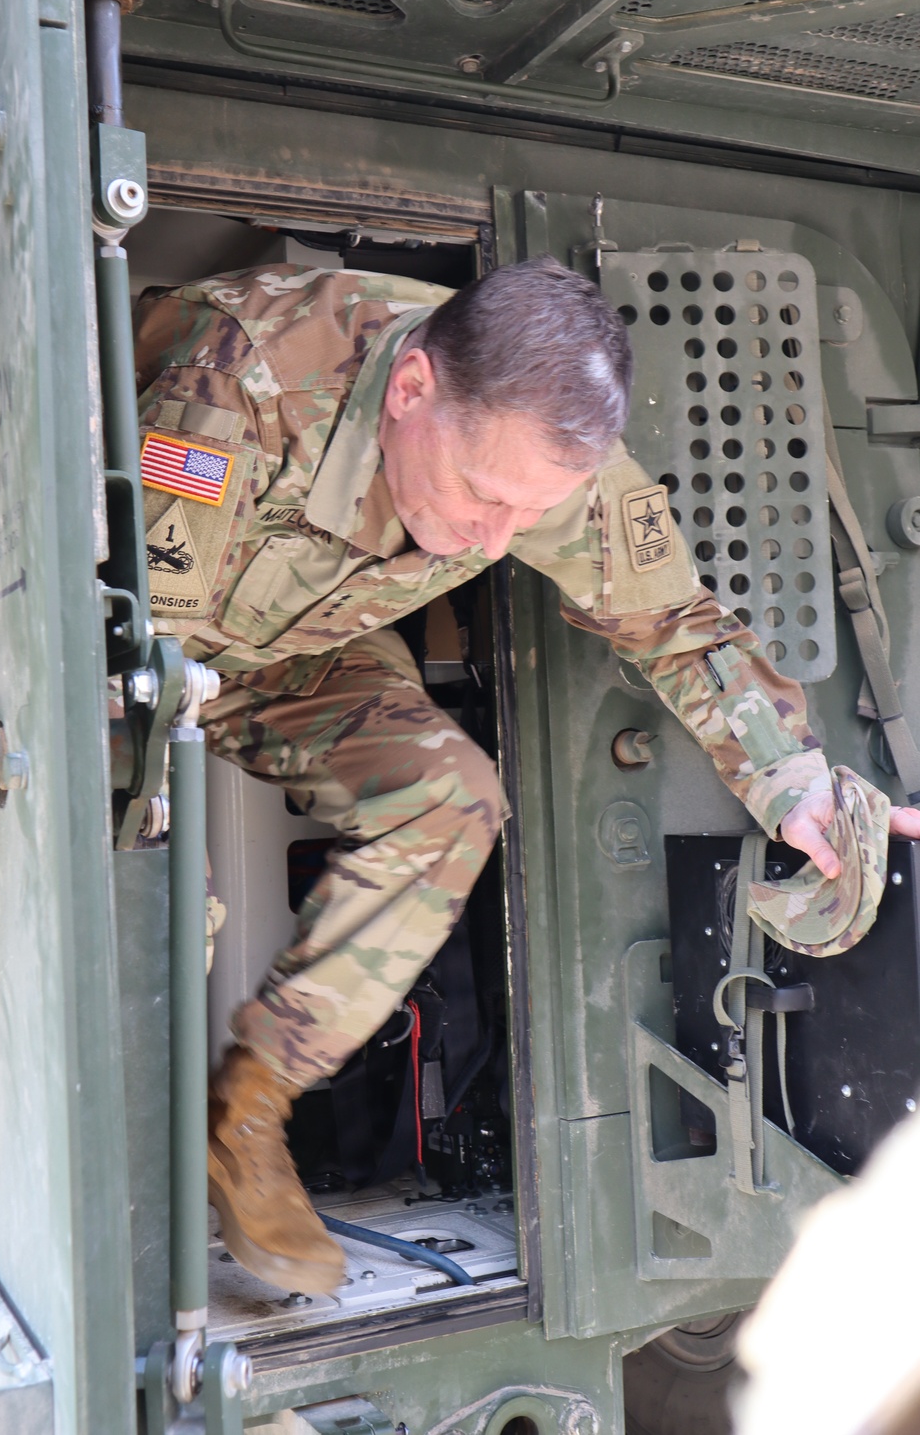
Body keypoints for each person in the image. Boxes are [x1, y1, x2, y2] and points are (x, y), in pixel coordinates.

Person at [133, 255, 920, 1295]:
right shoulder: (244, 380)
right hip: (139, 643)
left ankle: (250, 1106)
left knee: (451, 798)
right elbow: (120, 636)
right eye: (479, 498)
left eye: (524, 513)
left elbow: (675, 627)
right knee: (138, 865)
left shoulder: (541, 456)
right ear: (411, 389)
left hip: (297, 648)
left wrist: (798, 785)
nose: (493, 538)